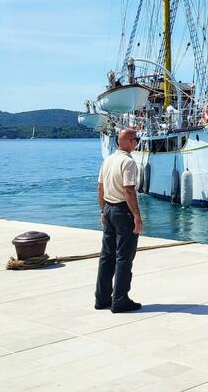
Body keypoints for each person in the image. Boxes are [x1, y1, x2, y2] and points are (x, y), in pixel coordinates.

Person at [95, 128, 144, 312]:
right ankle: (120, 300)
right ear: (130, 142)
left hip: (108, 208)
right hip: (123, 212)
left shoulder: (107, 160)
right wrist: (137, 217)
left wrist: (102, 211)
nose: (136, 143)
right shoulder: (128, 162)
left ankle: (102, 299)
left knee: (106, 256)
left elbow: (100, 188)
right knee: (124, 257)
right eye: (135, 140)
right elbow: (129, 190)